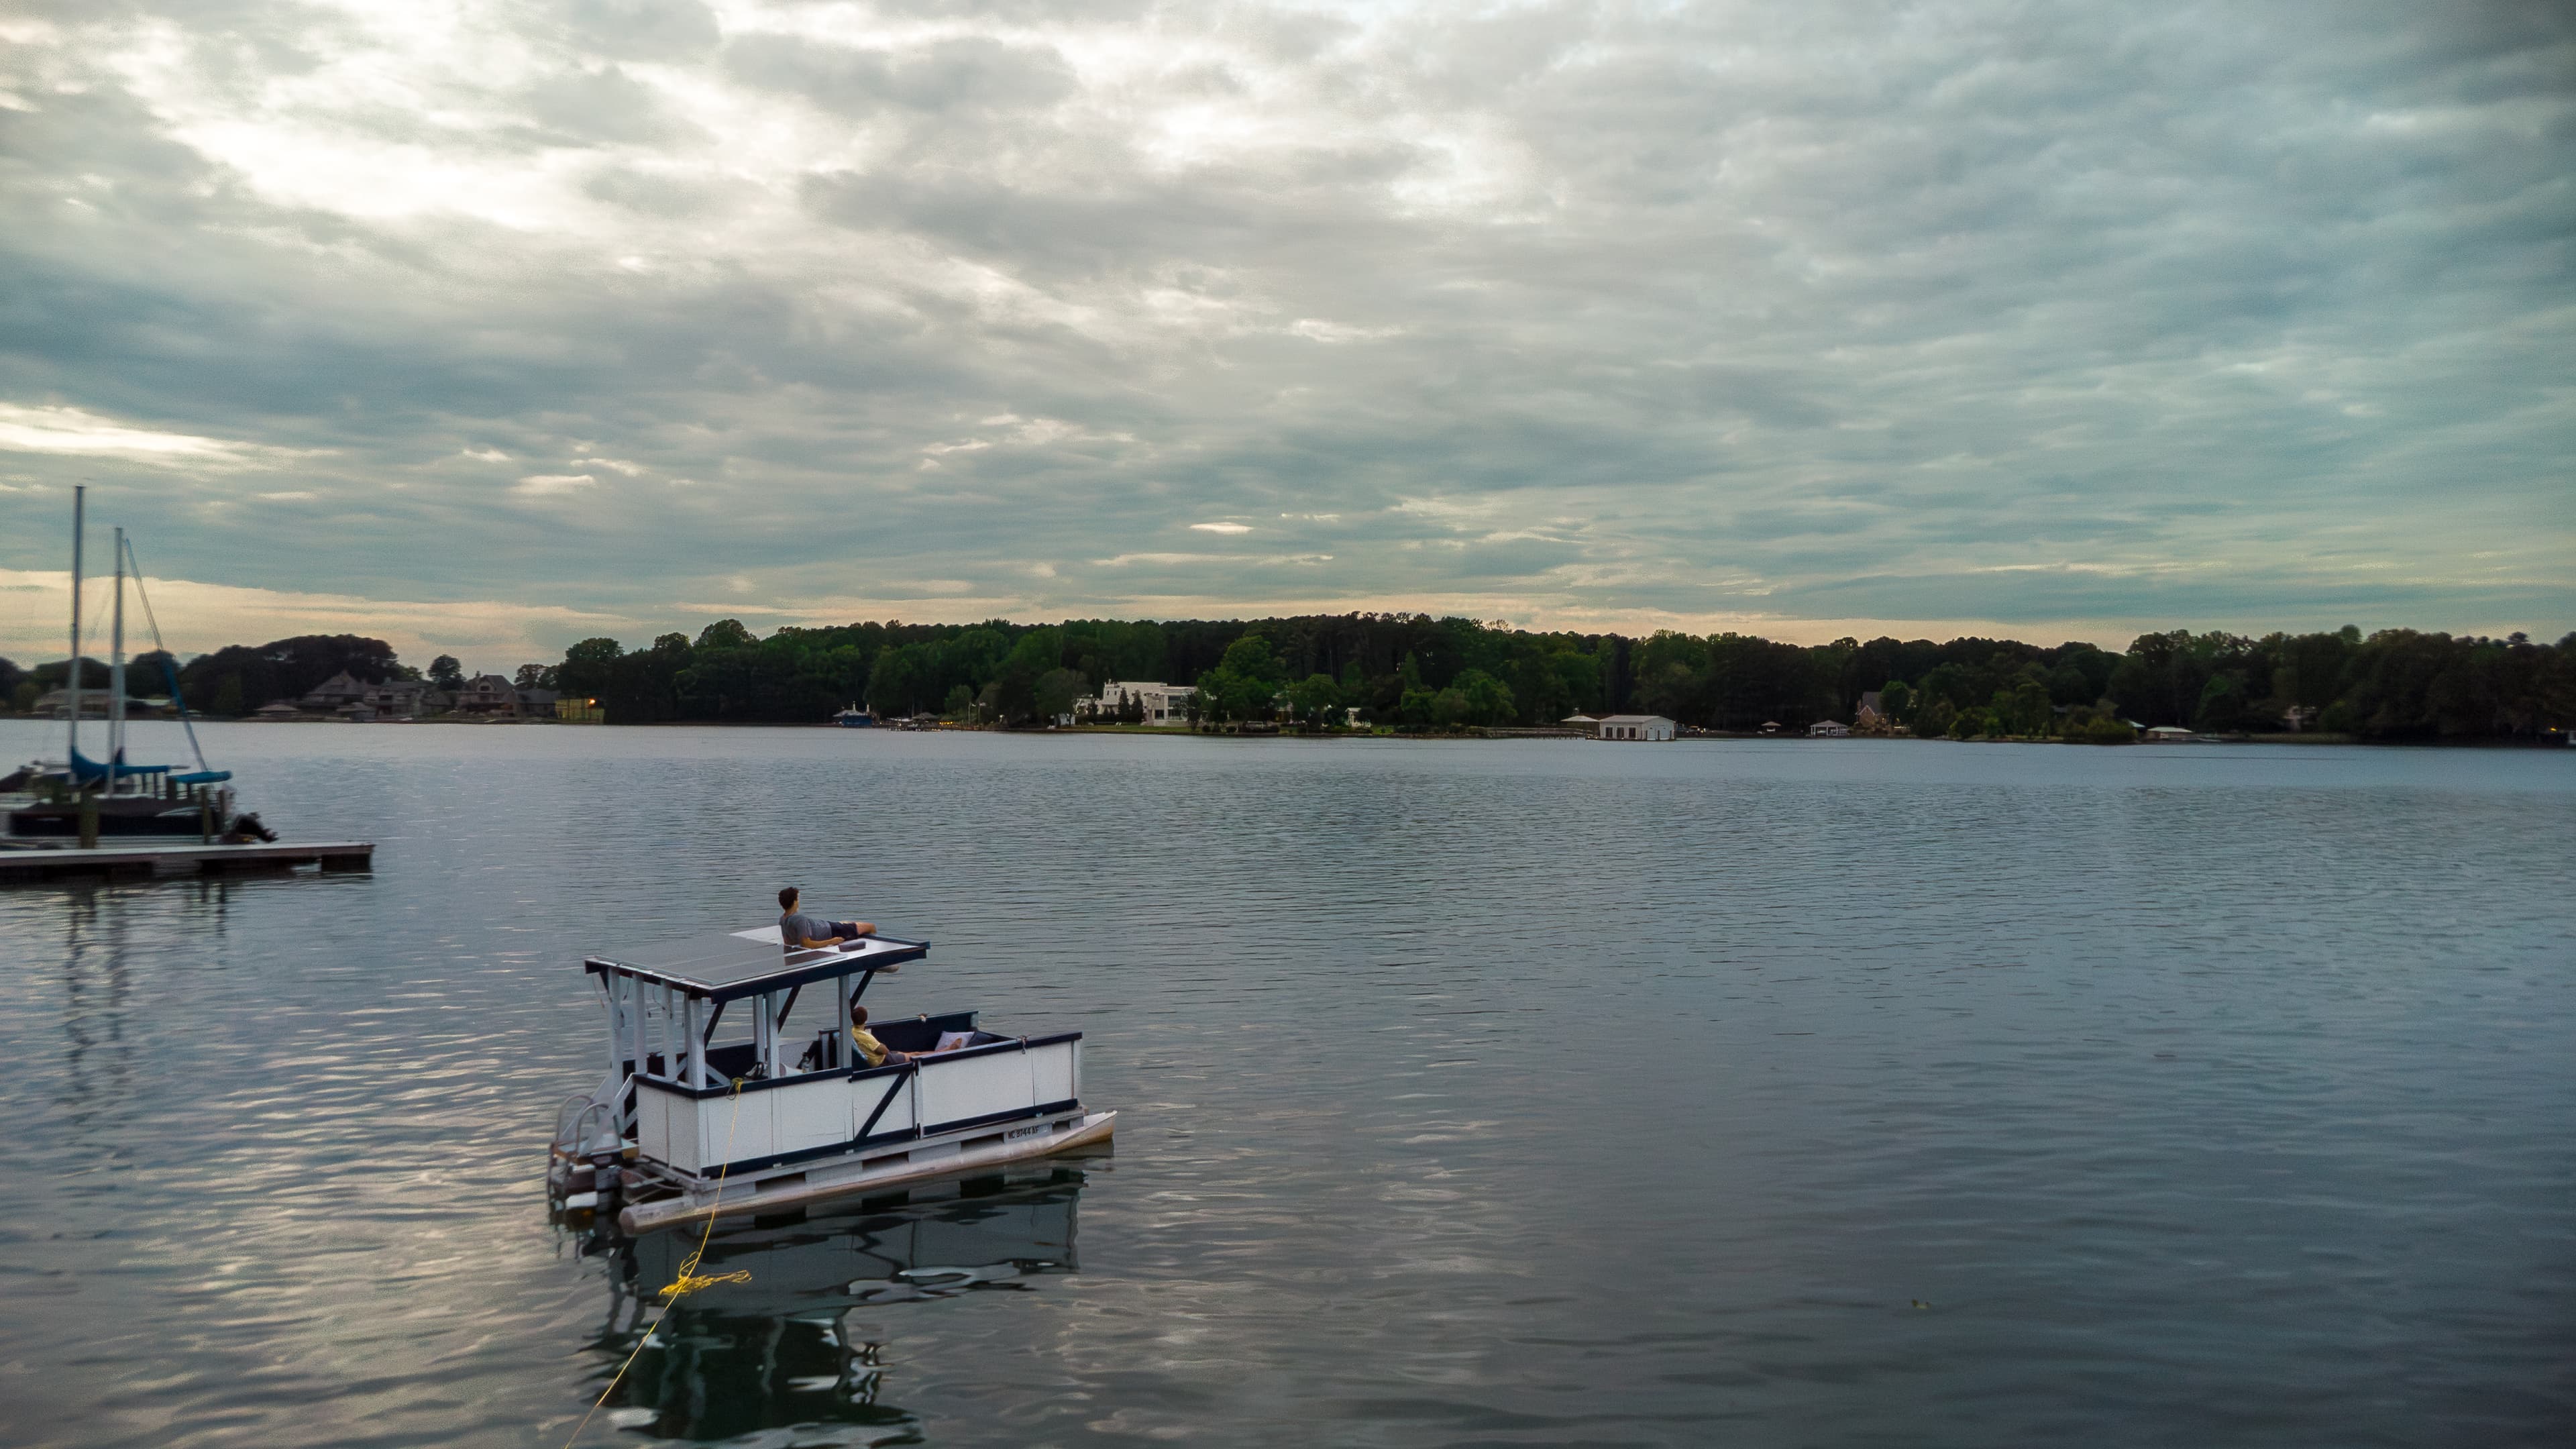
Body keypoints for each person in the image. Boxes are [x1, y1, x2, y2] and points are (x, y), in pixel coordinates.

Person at [778, 885, 873, 951]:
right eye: (798, 899)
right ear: (795, 902)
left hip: (826, 925)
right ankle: (879, 962)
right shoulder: (799, 919)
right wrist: (832, 941)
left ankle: (844, 924)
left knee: (848, 923)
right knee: (870, 927)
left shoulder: (783, 919)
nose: (799, 902)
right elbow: (807, 944)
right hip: (832, 931)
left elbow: (788, 943)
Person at [848, 1004, 912, 1069]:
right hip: (883, 1060)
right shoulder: (866, 1037)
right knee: (915, 1055)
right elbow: (885, 1051)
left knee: (909, 1054)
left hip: (881, 1058)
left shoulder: (851, 1032)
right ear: (866, 1020)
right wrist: (881, 1045)